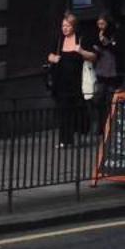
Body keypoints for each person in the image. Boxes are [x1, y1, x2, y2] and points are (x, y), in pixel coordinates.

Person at [45, 12, 93, 149]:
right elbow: (49, 55)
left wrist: (82, 51)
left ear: (74, 26)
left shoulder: (80, 39)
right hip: (61, 82)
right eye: (63, 25)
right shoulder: (59, 39)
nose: (64, 28)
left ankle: (81, 133)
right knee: (63, 111)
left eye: (67, 26)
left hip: (77, 82)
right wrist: (53, 58)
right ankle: (65, 140)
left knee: (78, 109)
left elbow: (94, 57)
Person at [90, 13, 121, 130]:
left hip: (112, 70)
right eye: (99, 24)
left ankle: (111, 126)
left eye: (103, 24)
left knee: (110, 99)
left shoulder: (114, 34)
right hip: (101, 69)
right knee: (98, 99)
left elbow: (117, 50)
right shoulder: (97, 33)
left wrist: (107, 43)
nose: (100, 26)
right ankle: (100, 126)